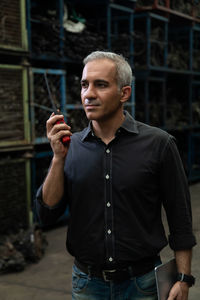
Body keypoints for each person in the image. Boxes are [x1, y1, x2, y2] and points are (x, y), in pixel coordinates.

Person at [35, 51, 196, 300]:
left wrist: (183, 278)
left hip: (143, 284)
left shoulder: (159, 144)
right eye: (84, 85)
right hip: (88, 285)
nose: (89, 94)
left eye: (101, 85)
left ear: (124, 93)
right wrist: (58, 158)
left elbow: (180, 217)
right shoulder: (70, 148)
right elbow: (46, 214)